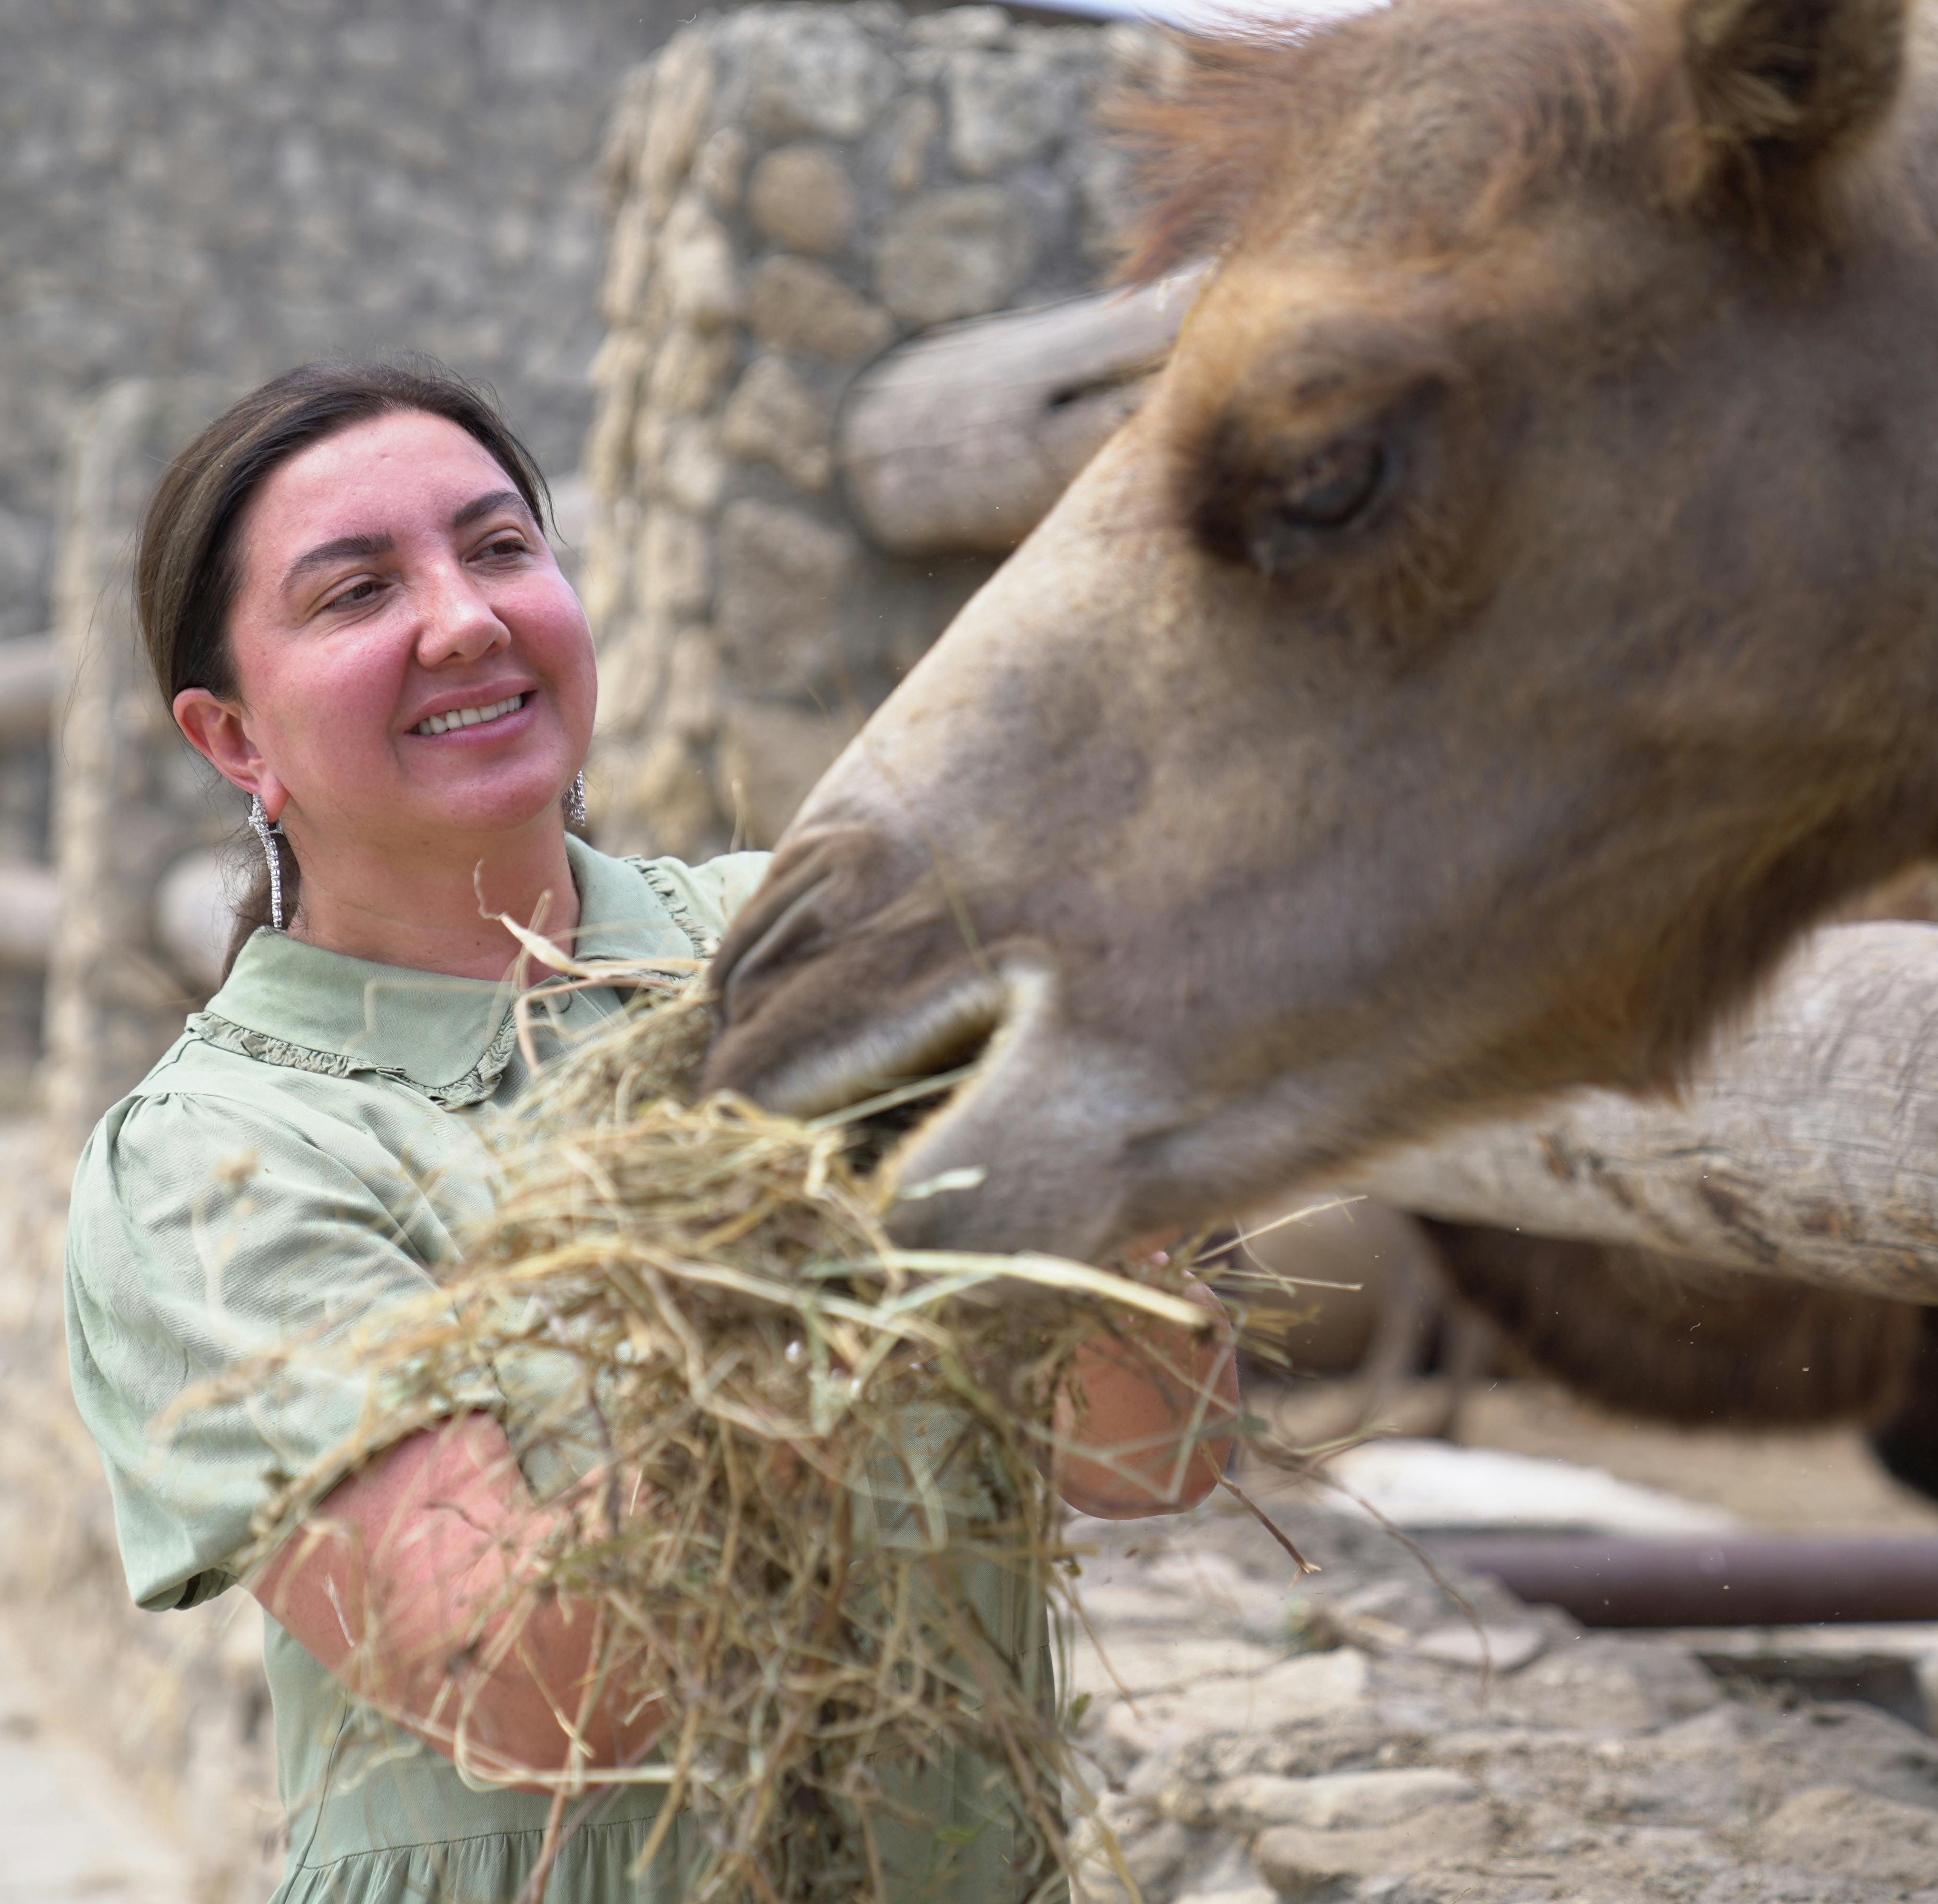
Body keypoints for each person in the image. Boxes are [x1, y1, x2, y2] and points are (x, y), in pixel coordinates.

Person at [61, 361, 1240, 1904]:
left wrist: (1080, 1085)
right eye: (357, 593)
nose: (467, 616)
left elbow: (1160, 1448)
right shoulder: (212, 1169)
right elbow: (546, 1676)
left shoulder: (806, 937)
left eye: (499, 549)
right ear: (233, 740)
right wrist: (837, 1225)